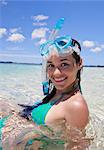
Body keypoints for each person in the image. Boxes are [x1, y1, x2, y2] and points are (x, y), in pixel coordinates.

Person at [0, 20, 91, 150]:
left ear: (79, 63)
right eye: (51, 66)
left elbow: (77, 146)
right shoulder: (57, 94)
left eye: (64, 64)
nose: (56, 73)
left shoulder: (76, 106)